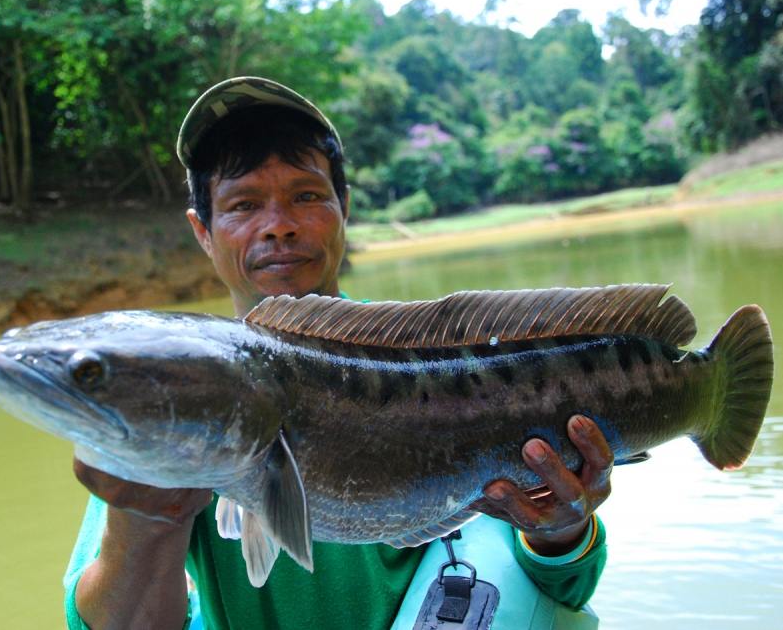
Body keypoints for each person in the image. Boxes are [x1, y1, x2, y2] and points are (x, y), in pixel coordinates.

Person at [64, 77, 613, 630]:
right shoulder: (172, 395)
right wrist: (146, 522)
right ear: (203, 231)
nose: (278, 226)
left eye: (305, 196)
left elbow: (561, 583)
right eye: (243, 204)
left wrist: (561, 529)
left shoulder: (446, 360)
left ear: (342, 207)